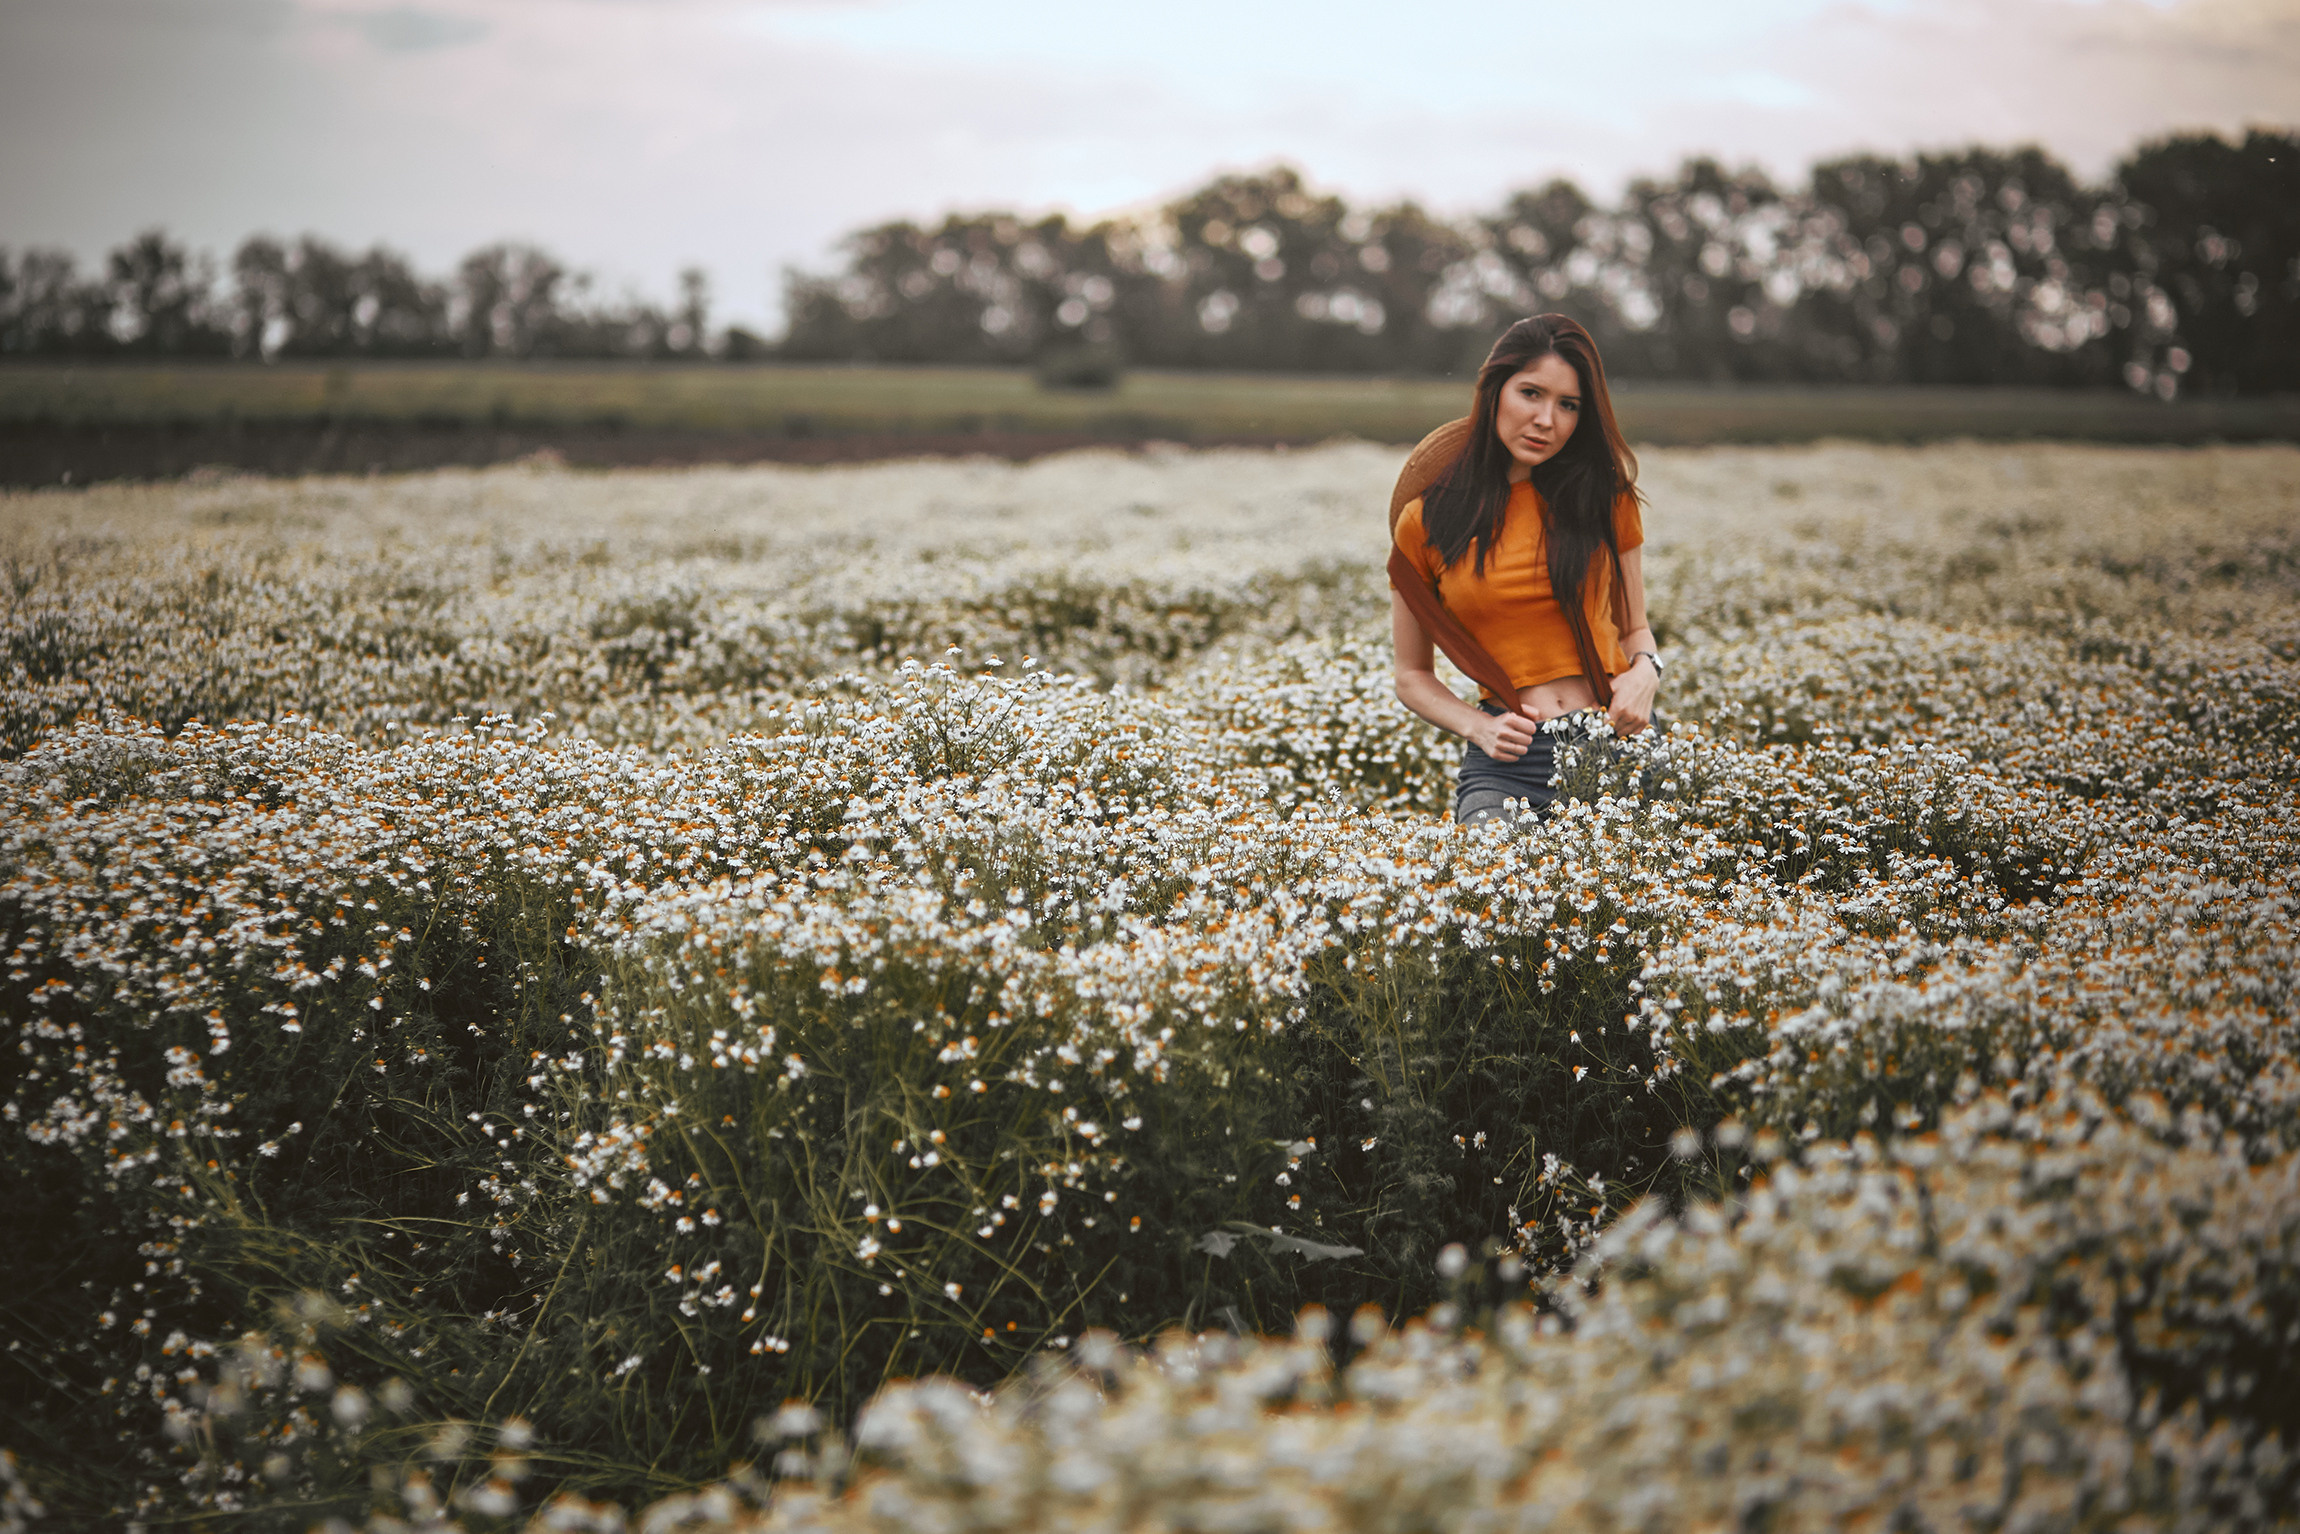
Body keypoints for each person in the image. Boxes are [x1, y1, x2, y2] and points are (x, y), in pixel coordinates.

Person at [1388, 314, 1661, 825]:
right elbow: (1411, 675)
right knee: (1486, 889)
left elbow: (1635, 629)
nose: (1546, 420)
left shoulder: (1605, 498)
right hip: (1507, 760)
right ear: (1494, 389)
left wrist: (1647, 673)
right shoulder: (1426, 521)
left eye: (1568, 405)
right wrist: (1477, 727)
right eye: (1531, 393)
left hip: (1616, 743)